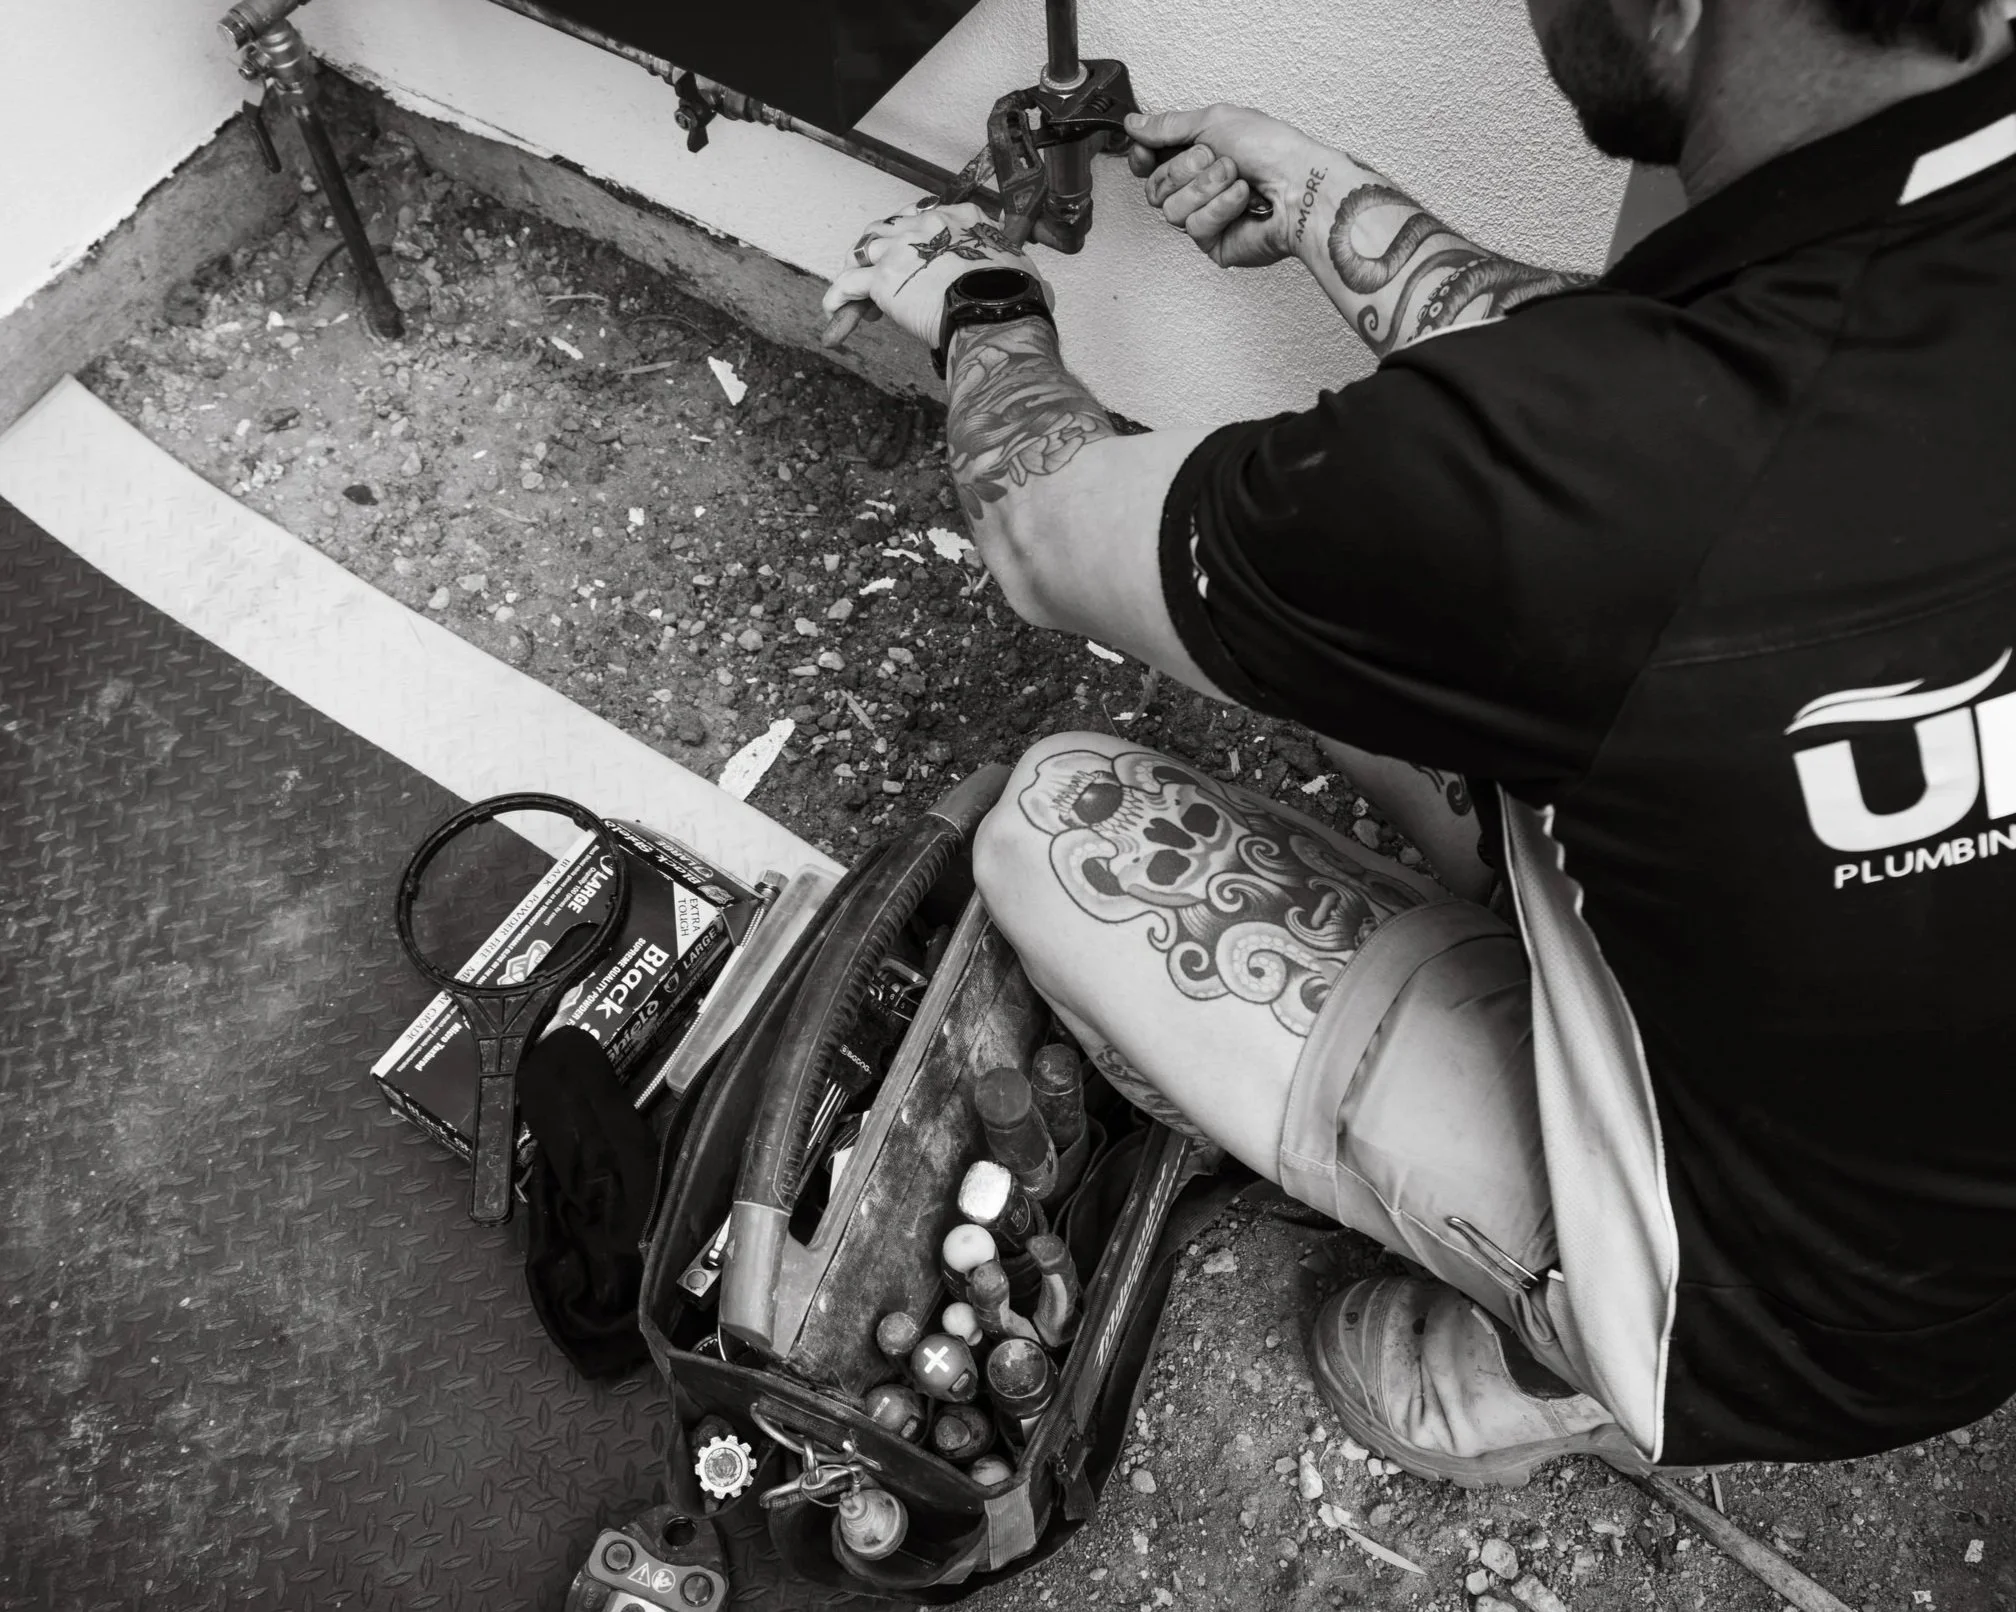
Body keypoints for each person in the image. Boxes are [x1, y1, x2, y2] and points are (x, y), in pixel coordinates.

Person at [821, 0, 2016, 1480]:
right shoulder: (1882, 282)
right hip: (1961, 1188)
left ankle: (1547, 1373)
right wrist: (1325, 197)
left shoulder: (1594, 484)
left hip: (1783, 1333)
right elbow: (1669, 388)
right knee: (1406, 653)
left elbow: (1046, 532)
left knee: (1062, 825)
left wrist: (981, 294)